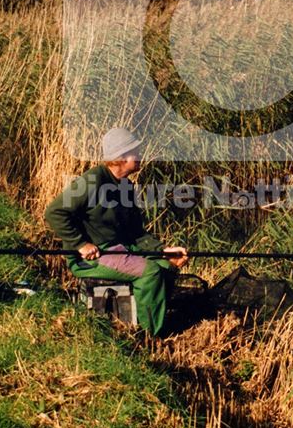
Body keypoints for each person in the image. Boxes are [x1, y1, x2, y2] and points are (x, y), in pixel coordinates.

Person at [44, 127, 188, 335]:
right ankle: (148, 336)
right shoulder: (91, 181)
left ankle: (147, 322)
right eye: (135, 152)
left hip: (123, 249)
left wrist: (163, 250)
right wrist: (80, 244)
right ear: (120, 157)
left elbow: (136, 233)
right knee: (150, 272)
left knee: (166, 265)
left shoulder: (126, 187)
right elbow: (55, 212)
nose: (141, 156)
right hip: (95, 256)